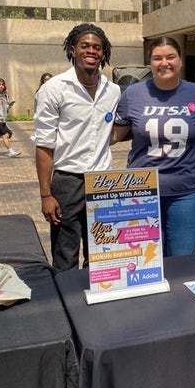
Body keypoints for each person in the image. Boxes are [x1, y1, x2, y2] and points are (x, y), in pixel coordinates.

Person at [113, 36, 195, 257]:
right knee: (143, 259)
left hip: (187, 192)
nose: (164, 63)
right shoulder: (133, 94)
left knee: (182, 260)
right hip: (141, 191)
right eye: (157, 58)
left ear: (180, 61)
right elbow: (113, 135)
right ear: (150, 63)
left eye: (171, 57)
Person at [34, 23, 120, 272]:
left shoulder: (113, 91)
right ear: (73, 50)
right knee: (65, 252)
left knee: (102, 251)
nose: (91, 50)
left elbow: (113, 131)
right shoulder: (54, 89)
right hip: (67, 180)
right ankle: (67, 302)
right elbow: (44, 145)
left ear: (103, 53)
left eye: (97, 47)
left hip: (103, 181)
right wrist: (45, 194)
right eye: (85, 46)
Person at [0, 77, 21, 158]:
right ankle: (11, 151)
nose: (1, 86)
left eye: (2, 84)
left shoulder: (5, 95)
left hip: (3, 119)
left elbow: (5, 108)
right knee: (5, 135)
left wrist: (9, 105)